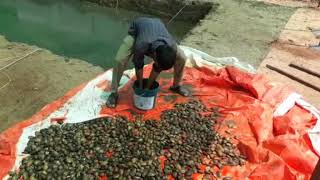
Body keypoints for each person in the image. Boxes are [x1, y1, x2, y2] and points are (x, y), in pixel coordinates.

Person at [106, 17, 190, 108]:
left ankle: (176, 86)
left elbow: (158, 67)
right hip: (137, 32)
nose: (158, 67)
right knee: (120, 59)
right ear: (154, 55)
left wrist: (148, 88)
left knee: (182, 57)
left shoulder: (171, 46)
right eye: (158, 63)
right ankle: (114, 93)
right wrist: (140, 87)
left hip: (158, 29)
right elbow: (138, 65)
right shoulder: (141, 44)